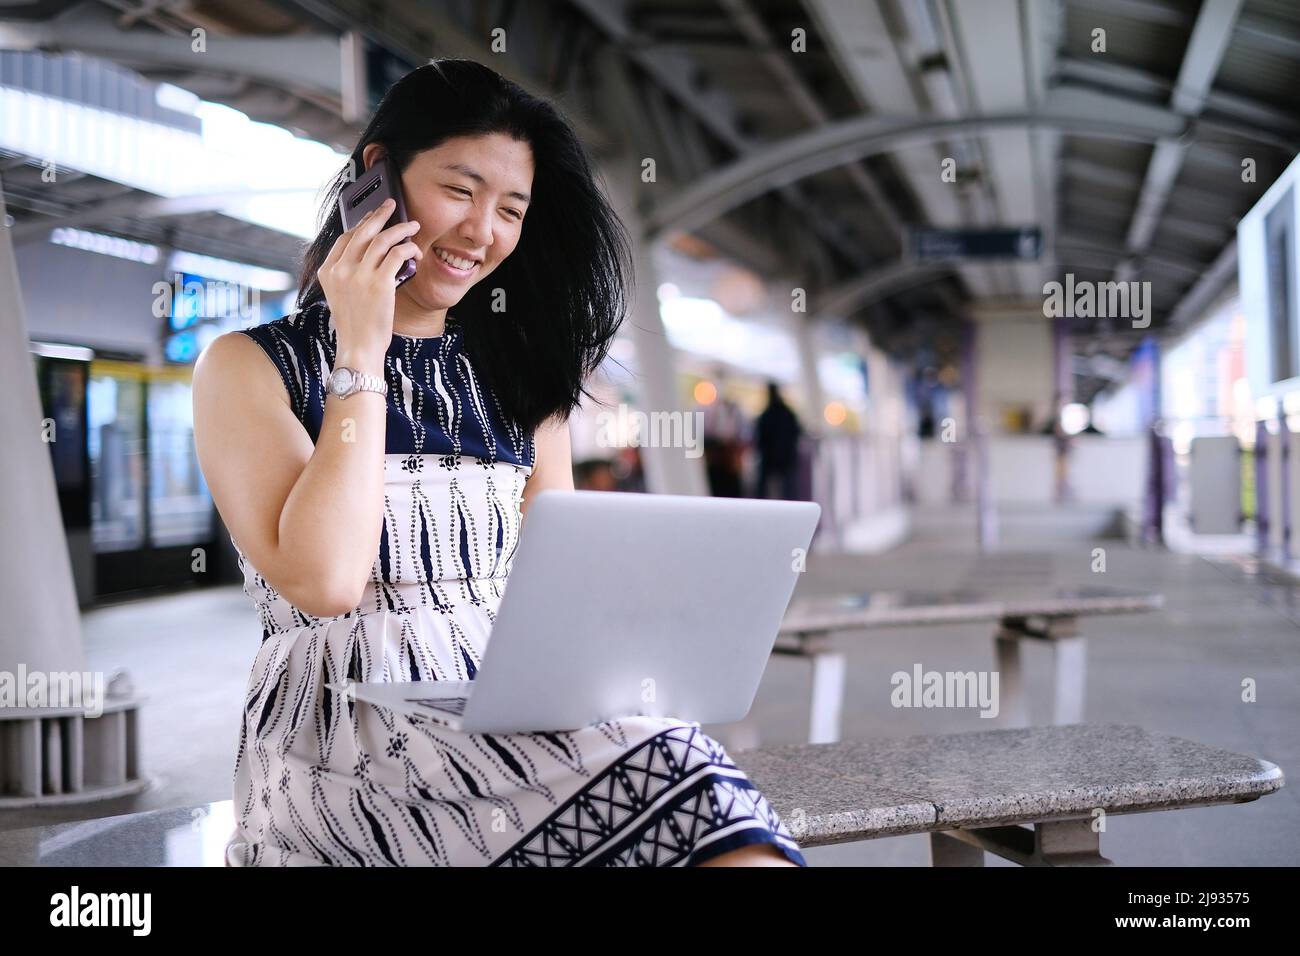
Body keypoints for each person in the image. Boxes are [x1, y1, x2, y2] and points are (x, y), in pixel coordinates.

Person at [192, 59, 802, 867]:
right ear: (378, 177)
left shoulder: (521, 378)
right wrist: (361, 350)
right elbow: (328, 581)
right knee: (682, 782)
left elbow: (554, 586)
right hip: (339, 739)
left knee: (689, 779)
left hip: (502, 712)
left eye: (511, 209)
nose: (483, 231)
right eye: (461, 189)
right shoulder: (249, 368)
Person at [754, 381, 803, 500]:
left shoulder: (767, 414)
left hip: (772, 456)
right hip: (785, 456)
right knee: (788, 490)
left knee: (765, 488)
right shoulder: (788, 414)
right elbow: (798, 432)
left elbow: (760, 436)